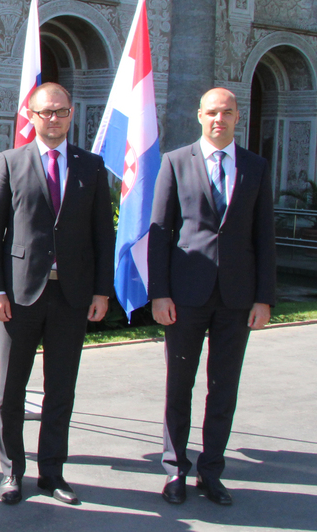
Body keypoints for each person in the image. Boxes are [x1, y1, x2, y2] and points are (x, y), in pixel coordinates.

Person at [0, 82, 114, 506]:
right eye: (44, 112)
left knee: (60, 389)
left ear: (71, 114)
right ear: (31, 116)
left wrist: (101, 291)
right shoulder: (10, 161)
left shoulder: (91, 167)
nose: (52, 118)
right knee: (11, 391)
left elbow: (102, 235)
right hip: (19, 297)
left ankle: (52, 473)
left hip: (72, 297)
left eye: (60, 111)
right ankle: (10, 472)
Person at [148, 87, 276, 506]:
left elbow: (264, 237)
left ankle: (211, 471)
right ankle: (174, 471)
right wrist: (160, 293)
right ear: (199, 116)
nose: (219, 119)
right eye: (212, 112)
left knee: (223, 389)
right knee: (178, 387)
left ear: (238, 117)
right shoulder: (174, 162)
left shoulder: (255, 167)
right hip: (185, 296)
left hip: (237, 299)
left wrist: (263, 298)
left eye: (227, 112)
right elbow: (161, 233)